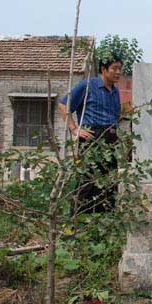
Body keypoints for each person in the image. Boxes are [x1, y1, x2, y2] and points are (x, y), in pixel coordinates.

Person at [58, 57, 123, 214]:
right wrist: (74, 129)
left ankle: (104, 219)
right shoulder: (88, 86)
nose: (118, 72)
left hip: (111, 139)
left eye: (120, 68)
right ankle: (78, 218)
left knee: (109, 180)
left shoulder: (115, 91)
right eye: (114, 68)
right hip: (92, 137)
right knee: (88, 179)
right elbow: (63, 104)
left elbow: (115, 116)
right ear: (103, 69)